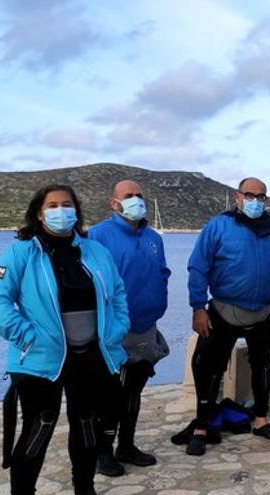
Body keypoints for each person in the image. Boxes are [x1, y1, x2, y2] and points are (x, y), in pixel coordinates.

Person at [0, 184, 129, 495]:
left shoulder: (95, 251)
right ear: (40, 212)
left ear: (76, 210)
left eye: (67, 204)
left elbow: (117, 295)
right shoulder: (21, 252)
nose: (61, 210)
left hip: (91, 356)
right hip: (41, 358)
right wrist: (30, 338)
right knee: (39, 427)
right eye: (53, 205)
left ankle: (84, 487)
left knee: (87, 425)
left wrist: (116, 330)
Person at [185, 177, 270, 456]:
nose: (256, 201)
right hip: (223, 310)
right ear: (238, 197)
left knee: (262, 365)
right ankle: (201, 426)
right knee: (208, 367)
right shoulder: (218, 227)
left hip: (263, 310)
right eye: (250, 195)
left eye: (261, 197)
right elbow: (198, 267)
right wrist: (198, 306)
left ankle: (260, 420)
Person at [89, 180, 171, 476]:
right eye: (129, 196)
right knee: (112, 393)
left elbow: (162, 272)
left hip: (146, 326)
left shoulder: (153, 238)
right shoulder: (96, 236)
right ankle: (103, 451)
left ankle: (126, 445)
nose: (136, 200)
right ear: (114, 203)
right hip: (113, 331)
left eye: (139, 195)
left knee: (134, 390)